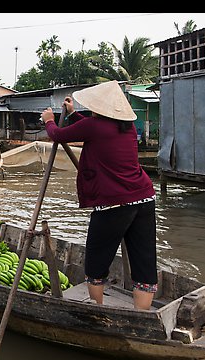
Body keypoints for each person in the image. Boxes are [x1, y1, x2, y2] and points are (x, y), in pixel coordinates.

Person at [41, 80, 157, 310]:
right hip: (145, 198)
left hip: (114, 205)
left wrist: (49, 121)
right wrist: (73, 114)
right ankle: (142, 316)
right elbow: (90, 129)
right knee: (144, 261)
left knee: (96, 261)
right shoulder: (127, 127)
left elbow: (59, 135)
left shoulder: (94, 127)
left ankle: (97, 309)